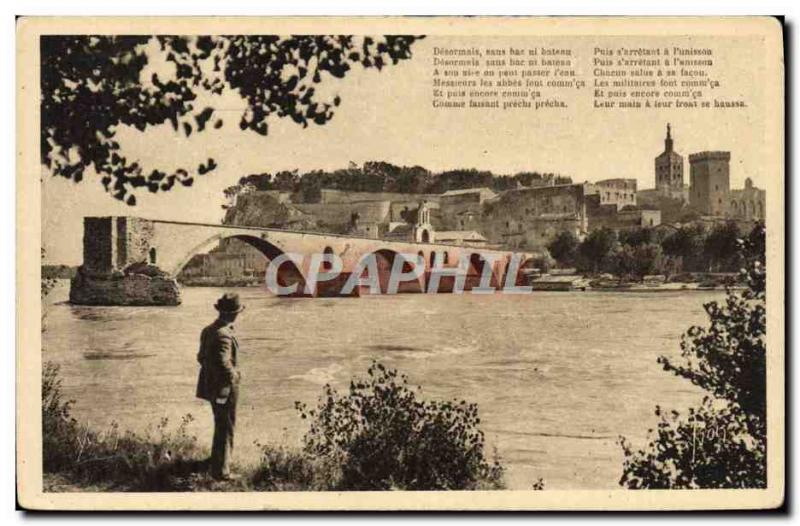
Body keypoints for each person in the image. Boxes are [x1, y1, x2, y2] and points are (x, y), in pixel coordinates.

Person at [196, 292, 244, 480]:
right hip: (225, 388)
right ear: (234, 314)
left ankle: (216, 462)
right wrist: (234, 375)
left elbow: (201, 357)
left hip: (210, 386)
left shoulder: (208, 330)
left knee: (220, 424)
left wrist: (211, 373)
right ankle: (222, 471)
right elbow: (224, 363)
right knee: (226, 427)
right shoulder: (224, 334)